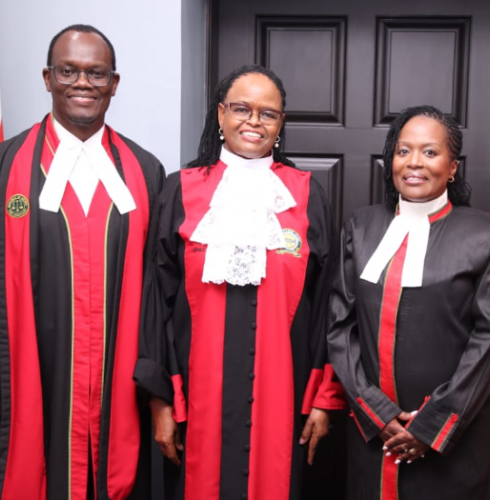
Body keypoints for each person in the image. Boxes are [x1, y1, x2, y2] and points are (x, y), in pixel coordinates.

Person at [0, 25, 164, 499]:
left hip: (119, 395)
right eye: (69, 71)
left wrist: (160, 392)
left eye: (96, 73)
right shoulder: (1, 169)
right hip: (26, 391)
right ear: (48, 78)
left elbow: (157, 295)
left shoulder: (146, 171)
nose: (83, 83)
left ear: (114, 83)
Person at [133, 64, 347, 500]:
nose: (254, 121)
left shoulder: (307, 194)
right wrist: (161, 401)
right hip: (194, 403)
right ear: (220, 114)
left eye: (268, 113)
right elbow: (155, 300)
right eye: (242, 109)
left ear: (281, 124)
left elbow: (331, 301)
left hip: (284, 403)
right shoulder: (180, 190)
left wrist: (325, 398)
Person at [327, 105, 490, 500]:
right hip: (372, 435)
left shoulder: (486, 234)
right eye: (403, 150)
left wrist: (432, 424)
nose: (414, 163)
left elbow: (489, 339)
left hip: (455, 439)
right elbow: (341, 329)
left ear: (453, 165)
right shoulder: (359, 227)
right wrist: (377, 413)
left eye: (430, 152)